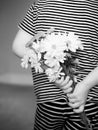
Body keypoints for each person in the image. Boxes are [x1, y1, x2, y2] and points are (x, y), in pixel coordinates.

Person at [12, 0, 98, 129]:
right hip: (49, 98)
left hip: (87, 98)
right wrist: (49, 68)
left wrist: (85, 85)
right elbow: (18, 46)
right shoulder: (40, 5)